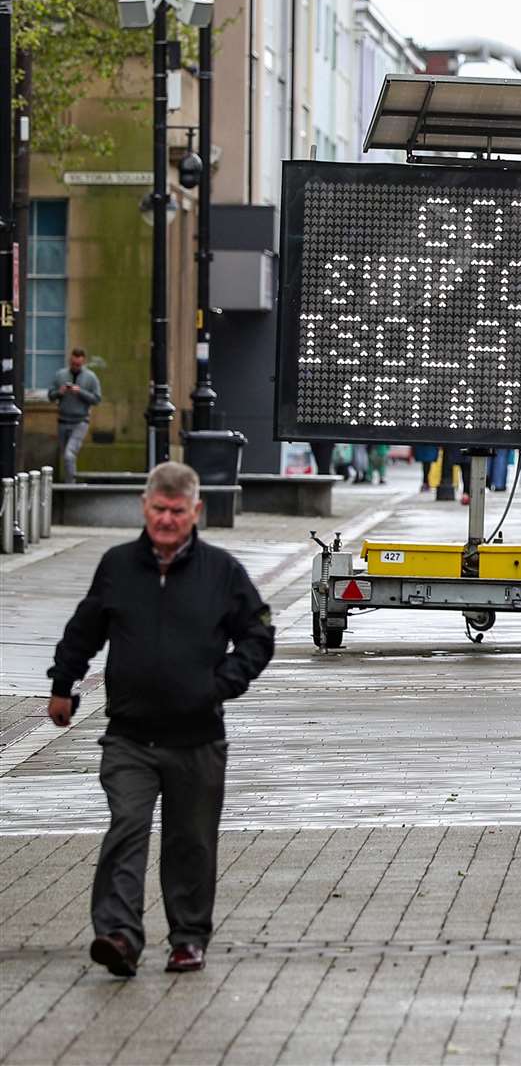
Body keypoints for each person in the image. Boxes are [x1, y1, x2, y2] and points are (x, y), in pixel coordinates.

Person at [46, 462, 274, 978]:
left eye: (177, 511)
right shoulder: (117, 566)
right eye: (158, 509)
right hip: (129, 735)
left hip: (197, 738)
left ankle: (188, 938)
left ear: (195, 512)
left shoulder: (223, 572)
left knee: (190, 841)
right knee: (127, 830)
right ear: (144, 508)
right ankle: (119, 936)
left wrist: (220, 684)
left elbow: (259, 636)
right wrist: (63, 687)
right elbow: (83, 631)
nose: (167, 519)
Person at [48, 347, 103, 482]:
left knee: (69, 454)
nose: (75, 367)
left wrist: (80, 392)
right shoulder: (60, 375)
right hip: (62, 421)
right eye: (73, 364)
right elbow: (50, 396)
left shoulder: (91, 377)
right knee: (66, 456)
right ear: (69, 361)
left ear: (83, 362)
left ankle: (71, 487)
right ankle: (69, 483)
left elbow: (97, 399)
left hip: (80, 421)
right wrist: (59, 392)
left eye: (78, 365)